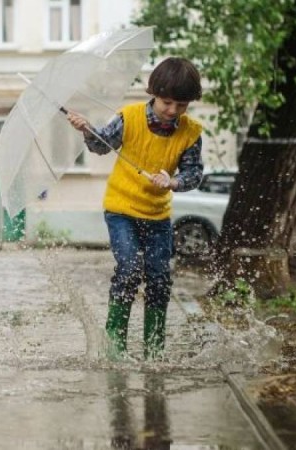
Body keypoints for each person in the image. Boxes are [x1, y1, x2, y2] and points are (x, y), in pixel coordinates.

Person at [66, 57, 204, 360]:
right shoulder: (129, 118)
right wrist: (87, 129)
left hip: (158, 215)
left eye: (182, 105)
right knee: (128, 270)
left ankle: (154, 351)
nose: (173, 111)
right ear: (153, 92)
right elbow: (101, 145)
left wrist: (174, 181)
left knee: (159, 277)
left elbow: (194, 174)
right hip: (121, 210)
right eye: (167, 102)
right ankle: (115, 349)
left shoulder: (191, 132)